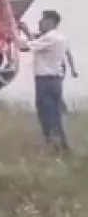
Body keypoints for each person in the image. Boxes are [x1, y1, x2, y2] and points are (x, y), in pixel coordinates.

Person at [18, 9, 76, 154]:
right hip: (54, 80)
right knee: (54, 113)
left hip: (46, 81)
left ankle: (55, 146)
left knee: (46, 113)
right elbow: (35, 41)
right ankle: (62, 146)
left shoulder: (50, 38)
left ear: (50, 22)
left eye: (42, 20)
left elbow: (24, 46)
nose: (39, 22)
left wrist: (15, 34)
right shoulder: (58, 38)